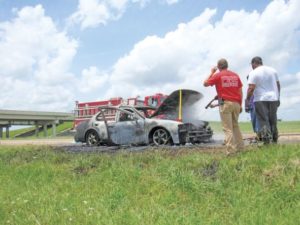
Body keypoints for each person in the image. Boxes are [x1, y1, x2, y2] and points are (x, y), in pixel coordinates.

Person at [203, 58, 244, 155]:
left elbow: (205, 83)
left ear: (219, 67)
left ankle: (230, 152)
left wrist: (212, 72)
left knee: (227, 128)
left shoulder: (218, 75)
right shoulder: (235, 75)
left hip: (226, 105)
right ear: (227, 65)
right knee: (235, 126)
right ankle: (240, 148)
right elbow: (240, 91)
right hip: (236, 104)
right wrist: (240, 104)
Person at [245, 56, 280, 144]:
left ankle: (267, 142)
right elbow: (278, 85)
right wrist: (278, 97)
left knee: (263, 120)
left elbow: (251, 88)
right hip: (274, 99)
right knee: (273, 120)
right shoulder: (273, 70)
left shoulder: (253, 72)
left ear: (253, 63)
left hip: (260, 99)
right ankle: (275, 140)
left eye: (251, 64)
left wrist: (247, 99)